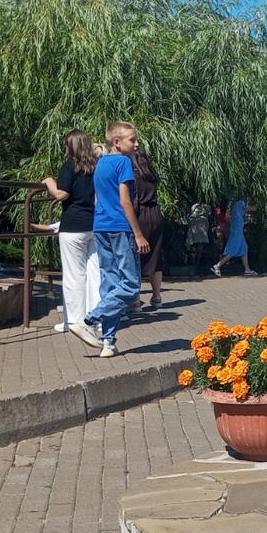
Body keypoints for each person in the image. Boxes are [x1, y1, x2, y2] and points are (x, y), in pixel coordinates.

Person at [76, 121, 150, 358]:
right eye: (132, 139)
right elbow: (125, 201)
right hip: (120, 228)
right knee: (130, 284)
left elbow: (97, 198)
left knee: (110, 284)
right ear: (117, 142)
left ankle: (108, 342)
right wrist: (138, 234)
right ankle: (90, 319)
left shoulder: (100, 164)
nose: (136, 144)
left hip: (101, 227)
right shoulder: (123, 162)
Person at [41, 130, 101, 333]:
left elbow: (61, 194)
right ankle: (96, 318)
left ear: (70, 146)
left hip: (73, 225)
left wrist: (49, 181)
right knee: (94, 273)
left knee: (74, 275)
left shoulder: (69, 166)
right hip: (93, 224)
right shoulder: (96, 166)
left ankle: (75, 322)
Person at [132, 147, 165, 308]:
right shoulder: (150, 174)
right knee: (155, 255)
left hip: (140, 215)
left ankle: (136, 300)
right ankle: (157, 297)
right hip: (155, 213)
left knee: (135, 257)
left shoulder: (133, 175)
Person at [211, 199, 256, 277]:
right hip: (237, 229)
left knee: (244, 247)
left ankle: (247, 269)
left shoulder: (235, 204)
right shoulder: (241, 203)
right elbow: (252, 208)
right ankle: (217, 266)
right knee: (233, 249)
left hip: (238, 228)